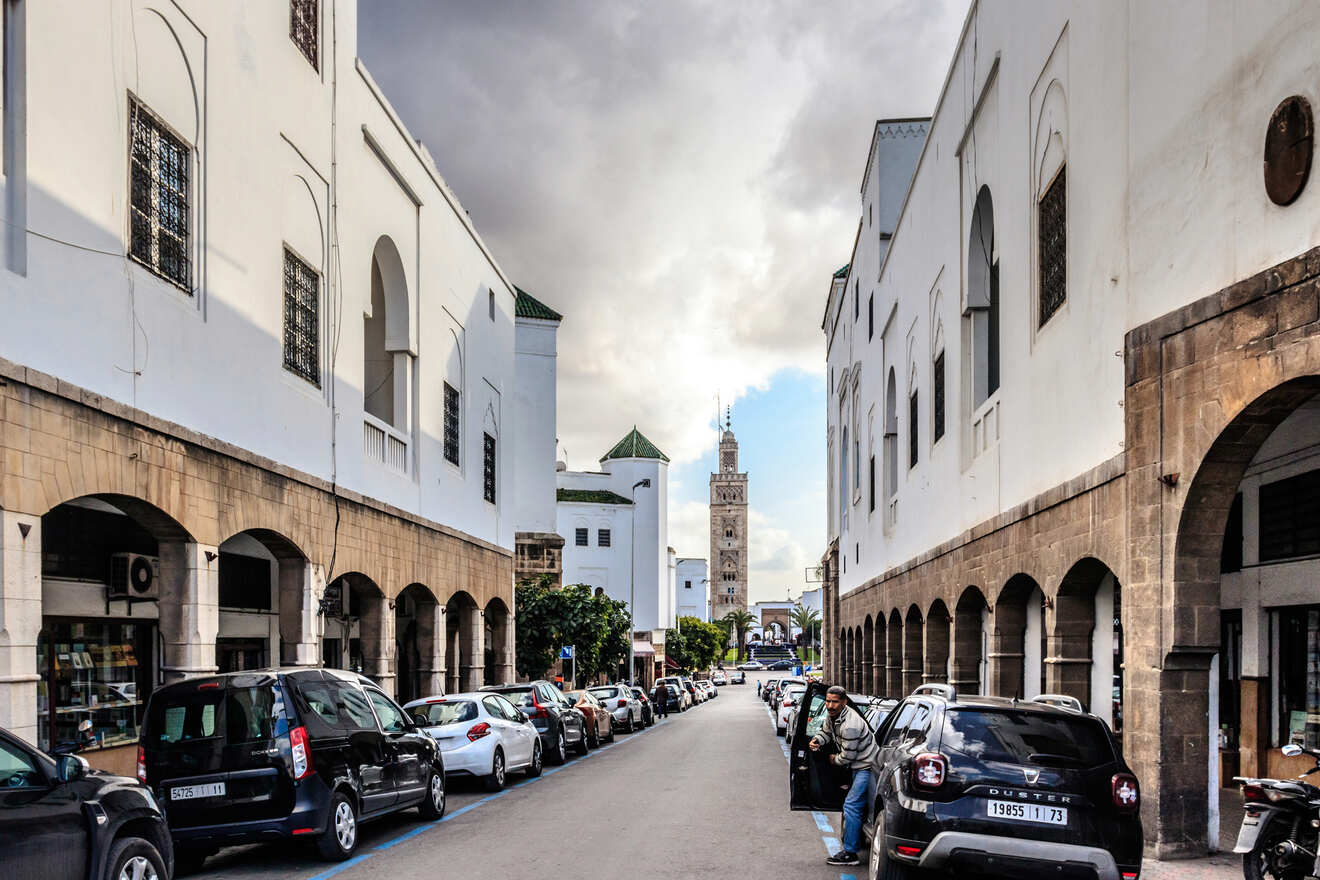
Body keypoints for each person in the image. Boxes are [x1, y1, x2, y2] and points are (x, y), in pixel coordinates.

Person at [809, 685, 878, 867]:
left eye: (835, 702)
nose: (830, 705)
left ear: (844, 702)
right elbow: (826, 732)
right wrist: (817, 740)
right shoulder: (833, 717)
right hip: (855, 766)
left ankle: (850, 854)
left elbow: (848, 756)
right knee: (854, 807)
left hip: (866, 767)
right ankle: (855, 841)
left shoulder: (850, 725)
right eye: (828, 701)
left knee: (852, 805)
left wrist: (833, 759)